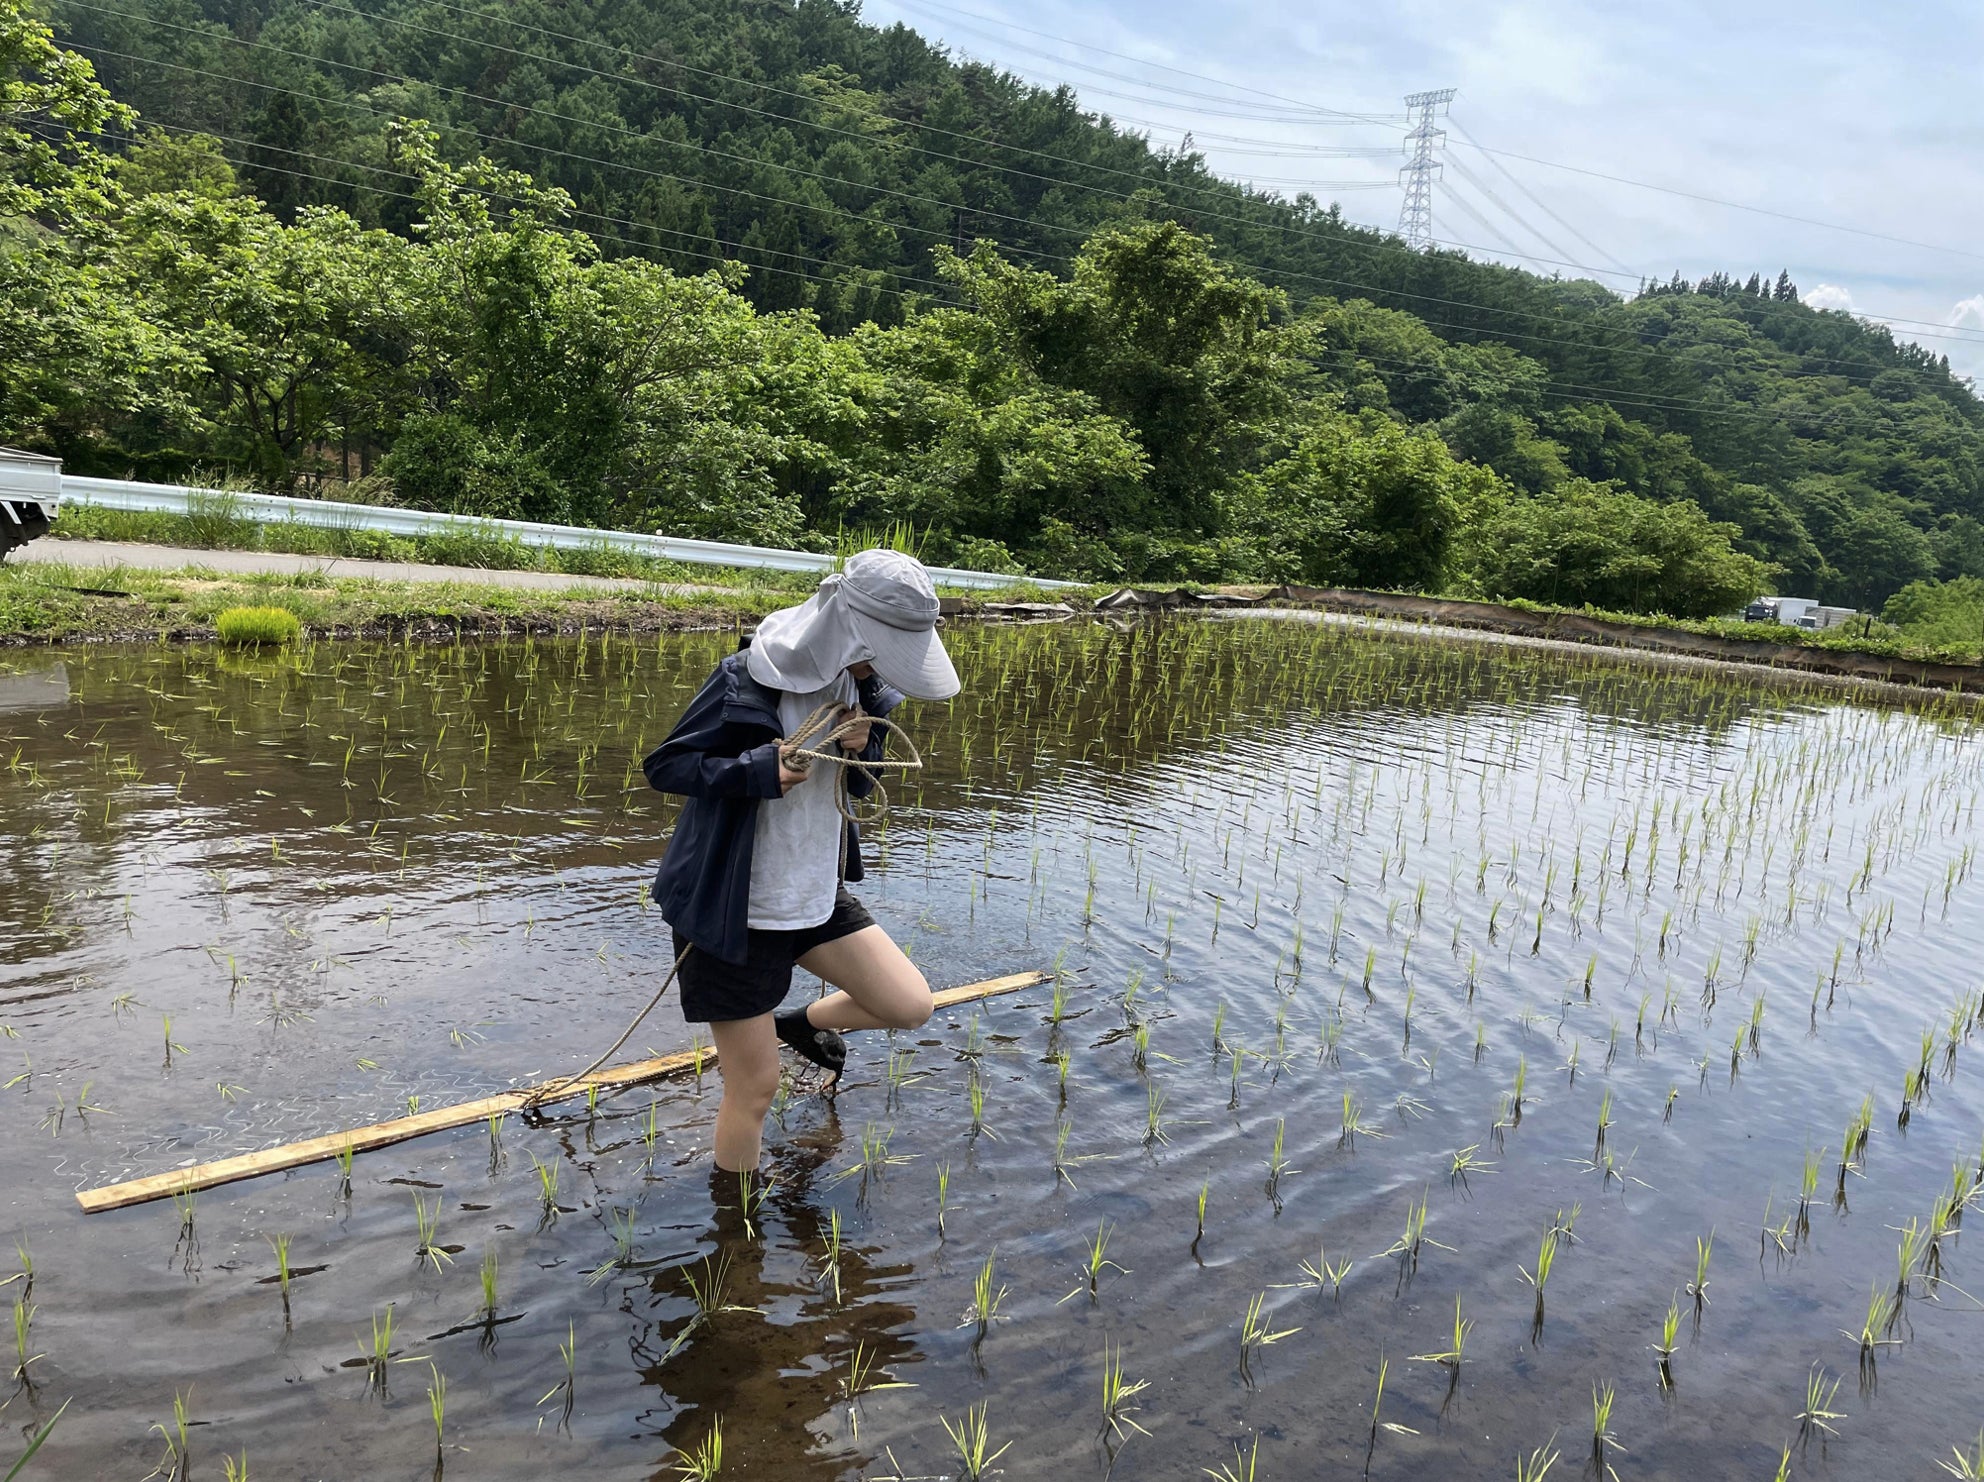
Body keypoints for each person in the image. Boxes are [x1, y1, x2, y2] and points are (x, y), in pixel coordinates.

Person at [642, 549, 960, 1176]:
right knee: (755, 1089)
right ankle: (736, 1223)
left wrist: (865, 744)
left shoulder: (863, 687)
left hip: (812, 893)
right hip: (736, 907)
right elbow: (668, 766)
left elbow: (859, 785)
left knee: (909, 1004)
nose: (882, 665)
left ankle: (799, 1024)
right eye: (882, 650)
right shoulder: (747, 678)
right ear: (846, 628)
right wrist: (759, 769)